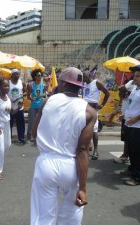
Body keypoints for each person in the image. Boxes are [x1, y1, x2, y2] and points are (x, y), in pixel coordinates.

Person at [30, 67, 96, 225]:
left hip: (46, 164)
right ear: (79, 87)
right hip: (70, 166)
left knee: (43, 217)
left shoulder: (47, 102)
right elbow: (82, 150)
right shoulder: (89, 111)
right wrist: (83, 188)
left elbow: (34, 132)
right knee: (72, 212)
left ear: (62, 84)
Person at [83, 71, 110, 160]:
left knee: (94, 130)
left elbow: (107, 93)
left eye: (85, 77)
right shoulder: (84, 84)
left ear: (90, 76)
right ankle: (88, 145)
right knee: (85, 128)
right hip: (84, 108)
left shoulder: (96, 83)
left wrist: (102, 105)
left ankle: (95, 151)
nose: (83, 78)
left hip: (93, 109)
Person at [27, 69, 46, 143]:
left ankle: (38, 136)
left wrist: (44, 97)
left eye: (41, 75)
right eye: (38, 76)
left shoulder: (43, 85)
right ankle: (29, 136)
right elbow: (28, 96)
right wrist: (31, 98)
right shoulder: (31, 85)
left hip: (41, 106)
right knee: (31, 121)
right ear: (35, 77)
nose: (40, 77)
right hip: (33, 106)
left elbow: (45, 94)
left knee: (40, 122)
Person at [8, 69, 27, 145]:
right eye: (16, 74)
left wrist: (22, 95)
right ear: (12, 75)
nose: (18, 75)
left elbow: (25, 91)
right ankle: (8, 138)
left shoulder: (21, 82)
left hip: (19, 106)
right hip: (10, 107)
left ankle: (21, 138)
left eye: (18, 74)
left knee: (21, 123)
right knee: (10, 123)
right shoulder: (8, 83)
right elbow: (4, 92)